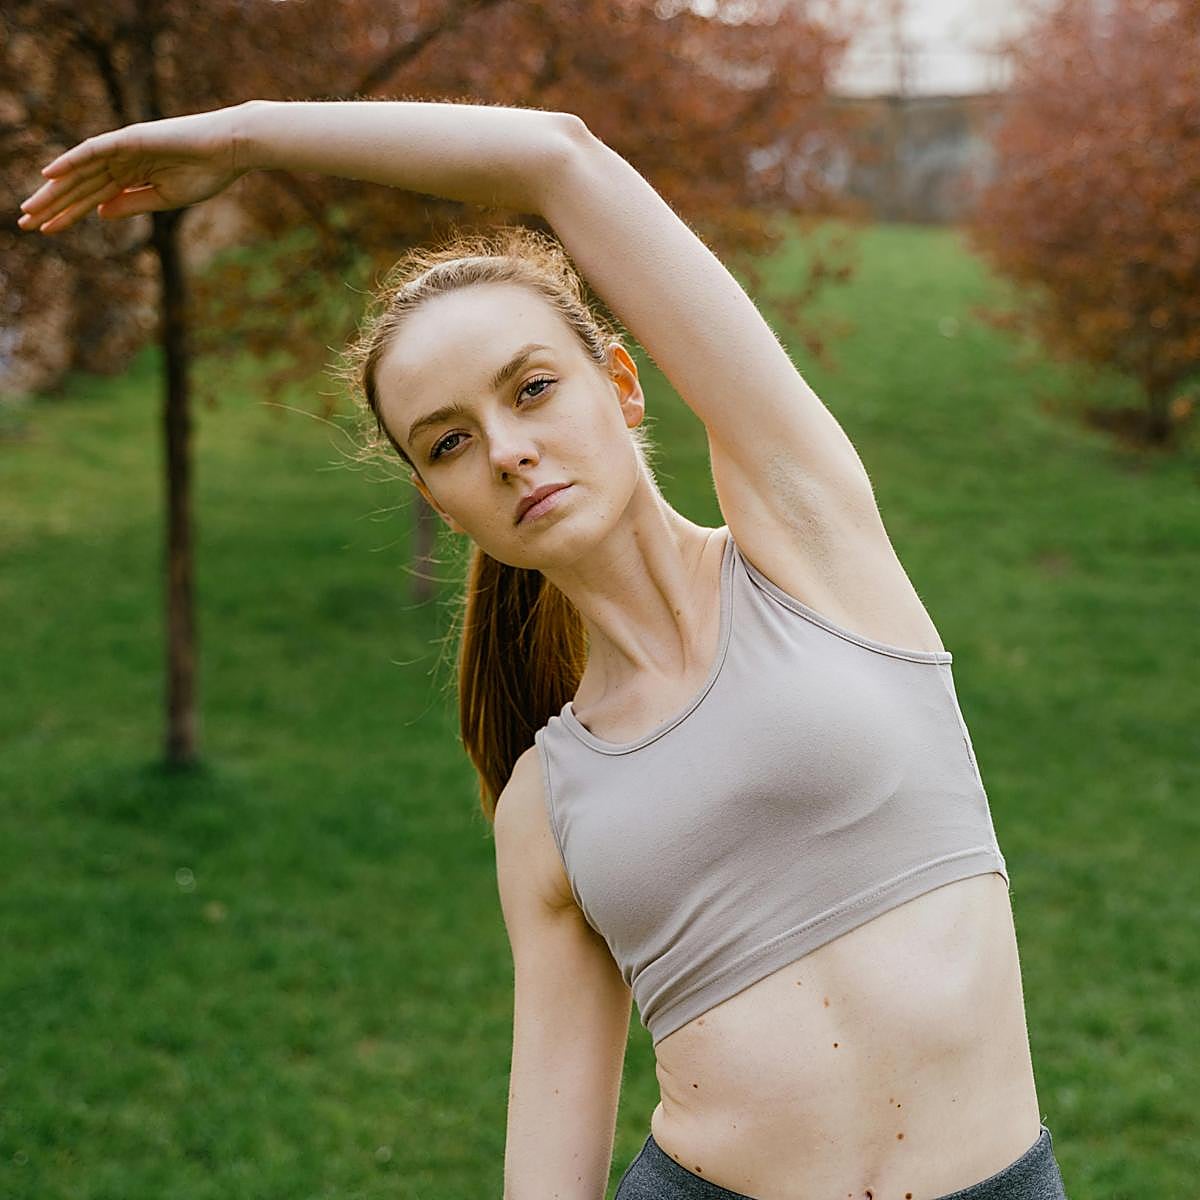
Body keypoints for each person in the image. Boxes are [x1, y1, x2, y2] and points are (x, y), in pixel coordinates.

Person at [19, 98, 1071, 1200]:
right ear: (440, 499)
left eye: (531, 389)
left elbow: (559, 158)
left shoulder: (811, 551)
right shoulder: (546, 808)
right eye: (452, 442)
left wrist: (246, 140)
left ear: (620, 386)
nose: (511, 452)